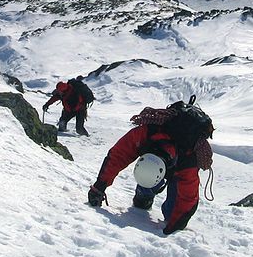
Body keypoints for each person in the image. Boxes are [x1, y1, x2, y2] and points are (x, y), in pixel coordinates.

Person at [87, 98, 214, 235]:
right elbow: (117, 157)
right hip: (161, 161)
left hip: (178, 166)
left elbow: (188, 198)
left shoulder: (187, 160)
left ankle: (153, 201)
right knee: (142, 201)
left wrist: (174, 226)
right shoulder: (144, 135)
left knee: (173, 216)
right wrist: (99, 186)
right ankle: (144, 197)